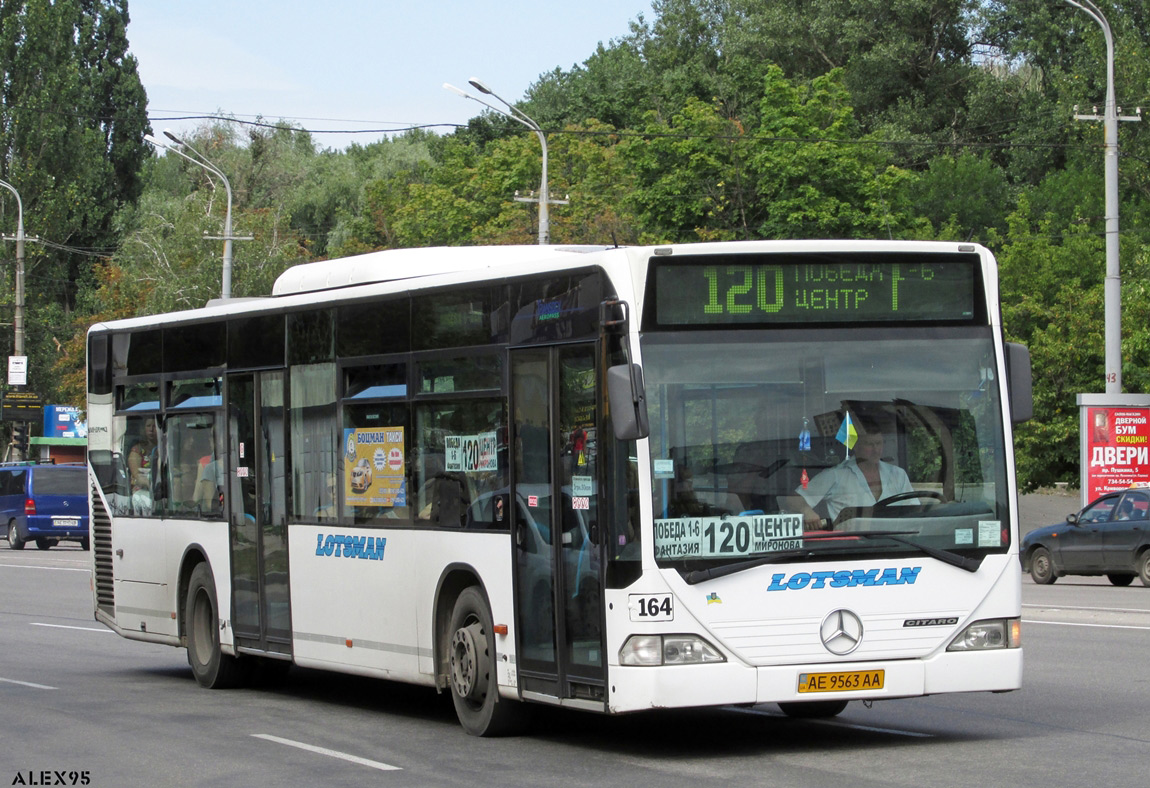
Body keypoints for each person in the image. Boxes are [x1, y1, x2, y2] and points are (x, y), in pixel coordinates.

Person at [786, 417, 916, 529]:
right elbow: (792, 499)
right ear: (856, 445)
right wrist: (807, 511)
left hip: (896, 546)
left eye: (879, 443)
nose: (876, 450)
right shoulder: (836, 475)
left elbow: (914, 511)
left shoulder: (898, 475)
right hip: (849, 547)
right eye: (869, 444)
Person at [127, 418, 158, 515]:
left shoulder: (166, 446)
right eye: (148, 426)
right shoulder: (137, 449)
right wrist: (154, 486)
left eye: (154, 426)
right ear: (143, 429)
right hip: (143, 490)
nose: (151, 429)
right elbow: (137, 475)